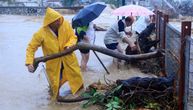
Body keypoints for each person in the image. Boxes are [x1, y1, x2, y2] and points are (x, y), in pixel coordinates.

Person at [25, 7, 83, 101]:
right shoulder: (41, 33)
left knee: (77, 77)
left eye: (59, 19)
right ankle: (55, 99)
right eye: (56, 20)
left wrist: (69, 45)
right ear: (50, 22)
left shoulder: (65, 24)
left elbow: (73, 37)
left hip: (68, 58)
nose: (59, 21)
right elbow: (31, 48)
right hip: (54, 62)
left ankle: (79, 95)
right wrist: (29, 62)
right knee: (55, 83)